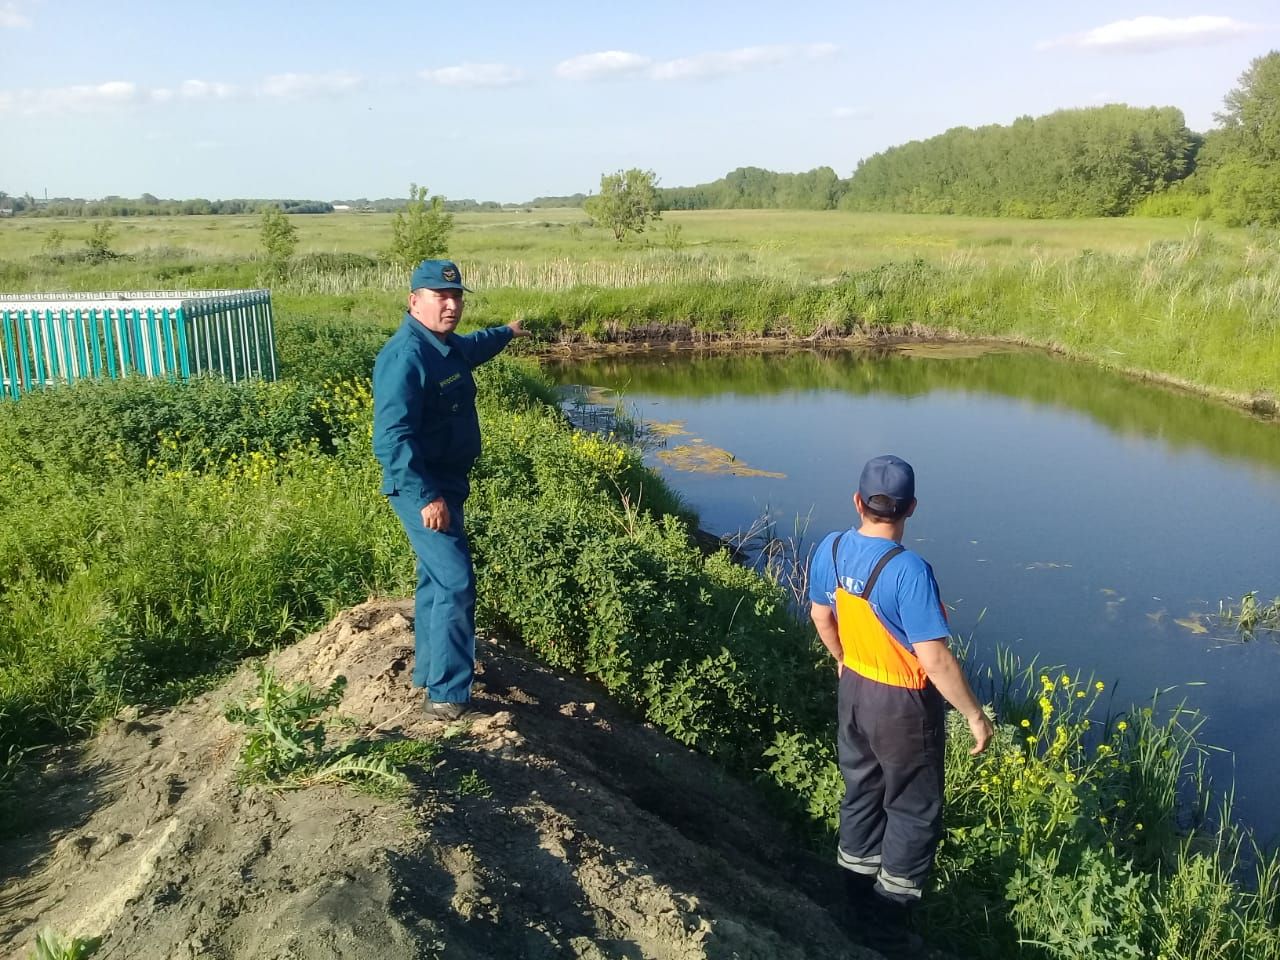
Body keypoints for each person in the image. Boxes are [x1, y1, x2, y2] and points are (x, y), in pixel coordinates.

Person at [807, 454, 993, 956]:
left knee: (861, 792)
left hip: (854, 692)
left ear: (858, 502)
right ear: (911, 507)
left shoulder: (832, 547)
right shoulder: (910, 571)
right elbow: (933, 659)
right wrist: (975, 716)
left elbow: (821, 615)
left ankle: (853, 903)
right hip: (902, 705)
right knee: (912, 810)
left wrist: (843, 660)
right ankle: (887, 930)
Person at [372, 258, 529, 722]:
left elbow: (474, 347)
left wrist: (508, 331)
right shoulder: (406, 356)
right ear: (414, 301)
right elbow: (391, 439)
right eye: (440, 297)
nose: (451, 305)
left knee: (435, 581)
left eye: (457, 296)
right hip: (422, 487)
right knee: (457, 582)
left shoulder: (444, 346)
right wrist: (426, 497)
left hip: (448, 484)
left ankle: (430, 673)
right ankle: (446, 693)